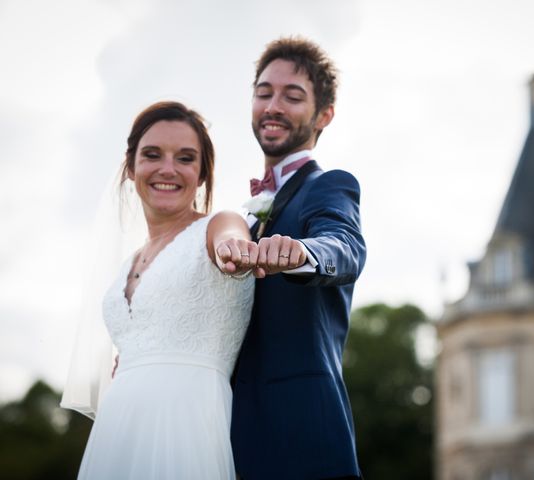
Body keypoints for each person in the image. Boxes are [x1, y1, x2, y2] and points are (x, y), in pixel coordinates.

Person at [69, 101, 256, 479]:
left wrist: (233, 249)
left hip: (188, 422)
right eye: (152, 155)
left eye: (185, 158)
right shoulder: (128, 263)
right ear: (131, 166)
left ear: (201, 174)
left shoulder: (219, 225)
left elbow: (232, 240)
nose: (167, 169)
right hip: (117, 428)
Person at [231, 37, 367, 480]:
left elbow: (344, 246)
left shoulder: (329, 186)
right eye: (264, 92)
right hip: (228, 437)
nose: (273, 105)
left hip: (303, 433)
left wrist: (302, 252)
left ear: (324, 114)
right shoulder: (238, 218)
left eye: (293, 96)